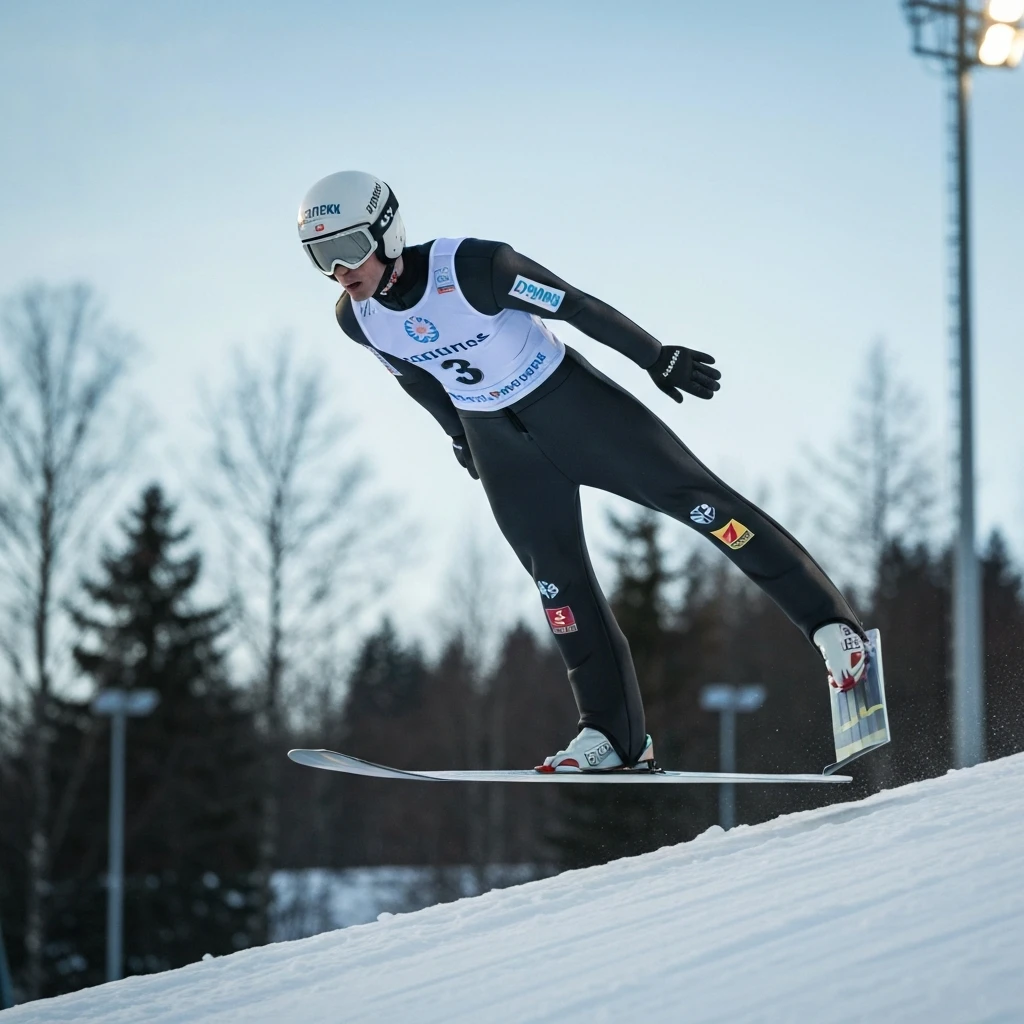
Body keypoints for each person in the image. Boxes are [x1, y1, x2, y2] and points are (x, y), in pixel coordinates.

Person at [297, 170, 870, 773]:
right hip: (501, 446)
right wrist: (458, 437)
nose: (339, 270)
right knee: (557, 585)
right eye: (320, 258)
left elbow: (574, 305)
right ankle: (612, 736)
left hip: (574, 410)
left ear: (387, 232)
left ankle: (833, 627)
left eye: (347, 249)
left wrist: (655, 356)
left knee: (706, 507)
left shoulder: (472, 268)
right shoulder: (356, 320)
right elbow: (416, 377)